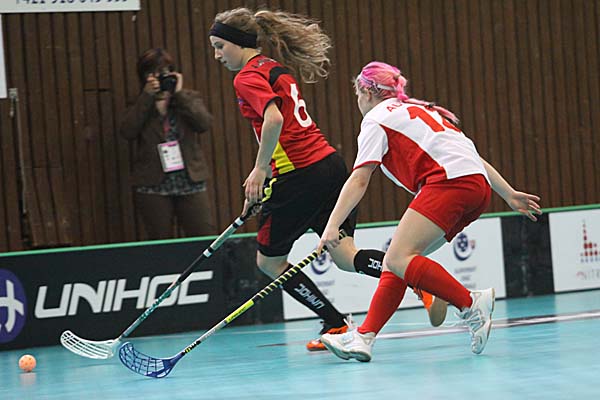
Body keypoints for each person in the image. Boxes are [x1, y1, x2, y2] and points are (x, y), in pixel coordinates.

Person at [208, 9, 448, 351]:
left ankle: (335, 323)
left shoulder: (246, 77)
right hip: (329, 166)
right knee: (345, 255)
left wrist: (260, 171)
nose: (217, 55)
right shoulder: (275, 69)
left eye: (220, 46)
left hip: (298, 176)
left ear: (238, 42)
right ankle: (420, 281)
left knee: (269, 262)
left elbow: (274, 120)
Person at [318, 61, 542, 362]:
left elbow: (360, 178)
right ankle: (364, 338)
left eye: (357, 94)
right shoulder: (424, 110)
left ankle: (470, 302)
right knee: (397, 263)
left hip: (448, 184)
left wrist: (333, 225)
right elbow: (473, 157)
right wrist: (508, 193)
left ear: (367, 93)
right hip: (477, 188)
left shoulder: (375, 119)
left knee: (398, 258)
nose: (358, 101)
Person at [119, 48, 216, 239]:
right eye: (152, 73)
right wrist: (147, 98)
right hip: (152, 184)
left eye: (164, 72)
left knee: (203, 234)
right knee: (159, 239)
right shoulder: (138, 104)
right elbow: (127, 131)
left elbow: (203, 123)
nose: (158, 77)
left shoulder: (187, 98)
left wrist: (178, 94)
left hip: (189, 180)